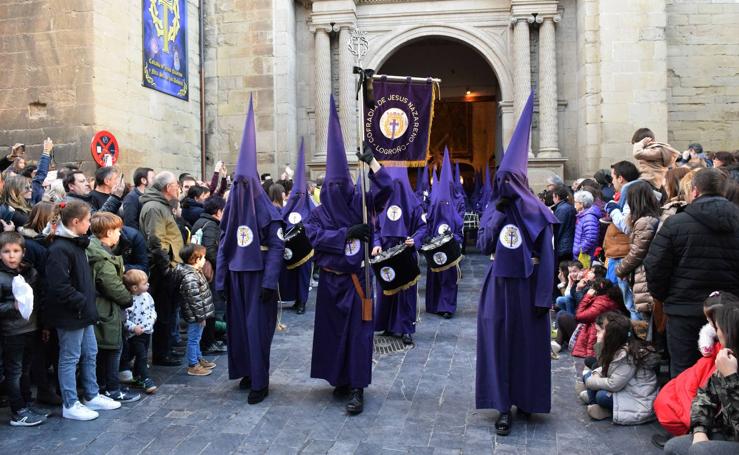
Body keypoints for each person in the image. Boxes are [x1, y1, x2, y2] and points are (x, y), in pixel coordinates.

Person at [303, 96, 392, 415]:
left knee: (358, 336)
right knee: (333, 333)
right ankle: (339, 378)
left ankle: (357, 387)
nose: (338, 190)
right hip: (330, 283)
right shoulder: (318, 213)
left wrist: (373, 163)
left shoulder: (360, 203)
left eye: (343, 185)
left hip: (358, 283)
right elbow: (315, 237)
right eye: (333, 185)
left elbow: (388, 190)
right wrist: (347, 234)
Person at [476, 93, 558, 435]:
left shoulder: (539, 213)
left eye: (511, 182)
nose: (504, 186)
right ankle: (501, 405)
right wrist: (498, 212)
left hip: (527, 291)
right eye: (501, 181)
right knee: (497, 345)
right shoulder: (494, 209)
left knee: (525, 348)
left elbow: (548, 258)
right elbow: (483, 245)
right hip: (498, 288)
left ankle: (527, 399)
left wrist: (543, 299)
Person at [216, 98, 284, 405]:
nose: (242, 187)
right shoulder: (231, 210)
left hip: (257, 279)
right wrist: (220, 282)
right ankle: (245, 371)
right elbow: (223, 245)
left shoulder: (267, 211)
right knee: (239, 331)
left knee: (256, 332)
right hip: (235, 277)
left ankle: (261, 381)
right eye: (238, 183)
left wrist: (270, 282)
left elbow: (277, 246)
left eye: (246, 182)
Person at [645, 168, 739, 377]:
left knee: (683, 374)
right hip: (729, 313)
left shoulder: (676, 224)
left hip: (683, 311)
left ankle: (686, 411)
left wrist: (665, 297)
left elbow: (654, 266)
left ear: (694, 191)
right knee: (725, 374)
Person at [45, 200, 121, 420]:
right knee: (70, 357)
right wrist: (80, 301)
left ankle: (91, 394)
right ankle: (70, 403)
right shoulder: (60, 248)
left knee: (90, 353)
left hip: (83, 312)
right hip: (71, 314)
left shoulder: (77, 244)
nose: (90, 224)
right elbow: (59, 286)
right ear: (76, 221)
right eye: (88, 220)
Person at [652, 292, 739, 447]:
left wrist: (731, 378)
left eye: (716, 327)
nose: (715, 333)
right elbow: (705, 397)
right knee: (675, 446)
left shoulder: (728, 364)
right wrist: (700, 431)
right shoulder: (727, 358)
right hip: (725, 431)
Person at [87, 212, 139, 403]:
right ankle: (111, 388)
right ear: (108, 232)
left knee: (107, 350)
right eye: (117, 230)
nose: (120, 234)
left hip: (104, 308)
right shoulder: (101, 257)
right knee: (111, 349)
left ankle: (106, 386)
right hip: (105, 310)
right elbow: (112, 286)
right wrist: (128, 298)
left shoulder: (98, 250)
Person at [371, 166, 427, 345]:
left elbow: (422, 227)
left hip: (404, 252)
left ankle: (405, 329)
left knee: (405, 292)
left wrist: (415, 239)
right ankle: (386, 324)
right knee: (386, 291)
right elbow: (375, 228)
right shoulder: (381, 204)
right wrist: (377, 244)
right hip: (386, 253)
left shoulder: (414, 204)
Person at [0, 232, 46, 426]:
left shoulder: (29, 272)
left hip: (30, 327)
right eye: (6, 252)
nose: (11, 256)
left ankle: (27, 403)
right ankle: (18, 410)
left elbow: (37, 300)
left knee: (26, 369)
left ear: (23, 252)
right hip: (12, 331)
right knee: (15, 371)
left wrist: (43, 325)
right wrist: (13, 306)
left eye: (16, 251)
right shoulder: (1, 277)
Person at [139, 171, 185, 367]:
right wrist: (166, 267)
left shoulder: (161, 206)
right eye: (176, 185)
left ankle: (166, 348)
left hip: (169, 266)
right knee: (164, 312)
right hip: (162, 269)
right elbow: (156, 240)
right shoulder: (154, 208)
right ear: (167, 188)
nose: (179, 188)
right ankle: (161, 354)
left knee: (169, 310)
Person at [582, 312, 659, 423]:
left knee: (601, 395)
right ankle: (595, 403)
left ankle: (599, 405)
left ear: (611, 335)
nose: (596, 335)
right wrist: (595, 375)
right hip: (626, 388)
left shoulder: (628, 356)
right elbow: (605, 366)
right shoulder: (620, 347)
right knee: (591, 374)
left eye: (599, 332)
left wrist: (590, 382)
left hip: (638, 401)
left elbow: (614, 385)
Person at [424, 148, 464, 319]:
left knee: (448, 277)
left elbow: (459, 226)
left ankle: (446, 306)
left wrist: (454, 240)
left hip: (450, 247)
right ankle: (434, 304)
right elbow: (429, 222)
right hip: (435, 246)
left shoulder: (456, 205)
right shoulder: (435, 203)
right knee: (435, 276)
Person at [615, 180, 661, 322]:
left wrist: (620, 269)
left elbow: (637, 252)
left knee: (642, 320)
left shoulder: (644, 222)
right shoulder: (650, 218)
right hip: (645, 274)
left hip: (644, 275)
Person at [278, 140, 314, 315]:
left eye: (302, 194)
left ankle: (302, 302)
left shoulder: (312, 208)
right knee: (291, 275)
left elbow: (316, 225)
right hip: (290, 250)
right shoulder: (288, 208)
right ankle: (294, 298)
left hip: (306, 251)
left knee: (303, 276)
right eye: (296, 194)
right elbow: (282, 221)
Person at [191, 197, 227, 354]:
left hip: (200, 271)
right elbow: (211, 251)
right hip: (209, 273)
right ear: (218, 211)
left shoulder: (200, 222)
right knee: (211, 307)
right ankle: (208, 342)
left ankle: (210, 339)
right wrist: (223, 266)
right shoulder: (211, 226)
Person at [175, 244, 216, 377]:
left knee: (197, 338)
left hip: (197, 314)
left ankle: (198, 359)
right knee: (194, 339)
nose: (205, 260)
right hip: (195, 315)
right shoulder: (190, 277)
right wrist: (201, 317)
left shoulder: (194, 272)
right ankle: (193, 365)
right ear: (196, 259)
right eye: (203, 257)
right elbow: (195, 301)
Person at [572, 278, 628, 359]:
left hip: (594, 339)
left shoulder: (602, 303)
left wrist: (587, 296)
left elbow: (579, 316)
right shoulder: (607, 298)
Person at [122, 269, 158, 394]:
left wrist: (153, 319)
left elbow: (152, 309)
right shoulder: (128, 300)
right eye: (145, 283)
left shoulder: (147, 296)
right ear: (135, 288)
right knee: (142, 356)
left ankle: (137, 376)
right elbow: (124, 319)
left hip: (147, 332)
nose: (148, 285)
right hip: (135, 335)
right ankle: (146, 379)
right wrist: (133, 327)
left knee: (140, 356)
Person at [631, 128, 680, 194]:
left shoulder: (656, 150)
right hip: (649, 181)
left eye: (638, 143)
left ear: (646, 140)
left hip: (651, 182)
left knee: (627, 188)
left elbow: (637, 154)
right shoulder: (653, 150)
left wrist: (640, 143)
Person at [572, 190, 601, 266]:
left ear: (581, 204)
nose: (574, 204)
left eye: (575, 202)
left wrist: (578, 250)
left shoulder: (589, 218)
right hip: (581, 255)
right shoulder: (583, 216)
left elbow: (590, 238)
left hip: (585, 255)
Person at [551, 184, 575, 263]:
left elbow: (558, 229)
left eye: (553, 197)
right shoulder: (567, 207)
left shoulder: (562, 209)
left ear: (557, 196)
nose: (553, 199)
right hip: (566, 244)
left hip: (563, 246)